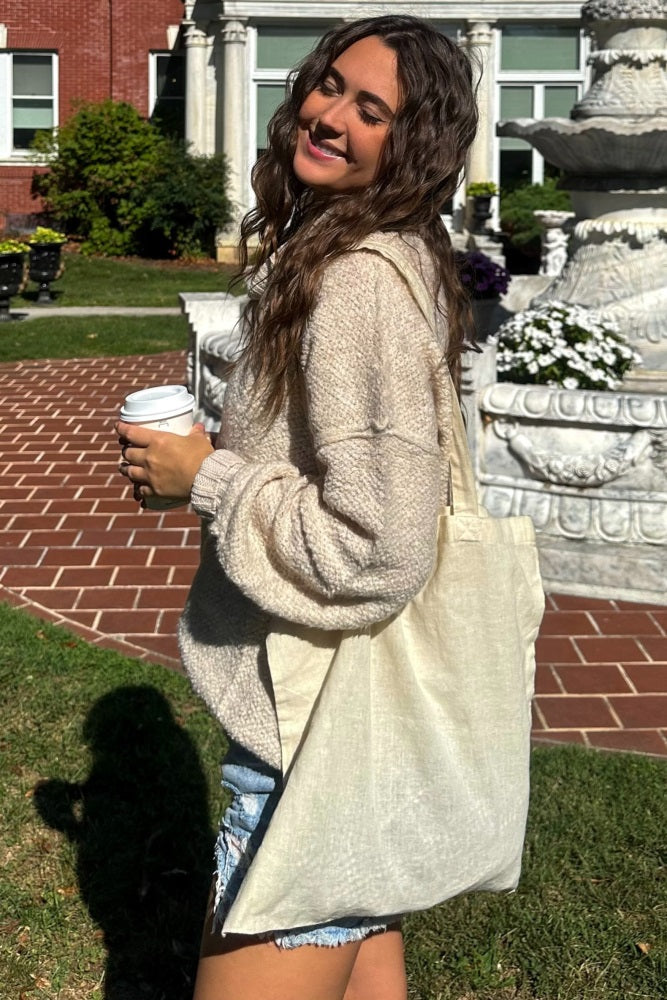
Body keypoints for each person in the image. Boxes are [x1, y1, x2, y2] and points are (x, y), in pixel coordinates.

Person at [116, 15, 478, 1000]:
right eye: (330, 86)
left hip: (312, 731)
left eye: (373, 111)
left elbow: (377, 546)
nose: (330, 116)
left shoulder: (357, 283)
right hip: (356, 716)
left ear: (414, 144)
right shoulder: (378, 249)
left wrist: (210, 479)